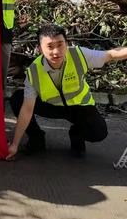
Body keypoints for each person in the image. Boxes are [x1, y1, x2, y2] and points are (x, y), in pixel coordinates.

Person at [7, 24, 127, 159]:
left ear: (67, 43)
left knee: (99, 133)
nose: (56, 51)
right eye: (50, 46)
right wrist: (15, 145)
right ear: (40, 49)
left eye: (60, 44)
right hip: (51, 107)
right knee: (18, 99)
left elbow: (110, 55)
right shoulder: (34, 72)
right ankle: (37, 139)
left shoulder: (79, 54)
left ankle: (76, 134)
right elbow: (27, 109)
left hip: (79, 107)